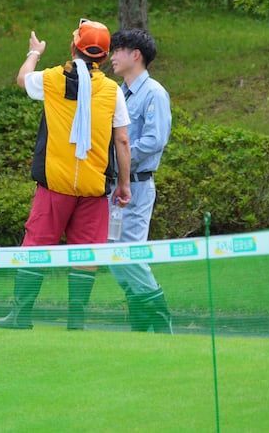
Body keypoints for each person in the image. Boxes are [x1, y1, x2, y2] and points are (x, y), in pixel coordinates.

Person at [0, 19, 131, 331]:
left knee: (37, 245)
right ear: (104, 57)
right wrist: (124, 183)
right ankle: (76, 320)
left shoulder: (53, 79)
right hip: (94, 187)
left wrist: (34, 53)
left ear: (73, 47)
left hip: (55, 184)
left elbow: (22, 79)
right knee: (86, 252)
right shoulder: (112, 91)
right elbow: (121, 140)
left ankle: (21, 315)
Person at [109, 27, 175, 333]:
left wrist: (118, 158)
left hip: (137, 184)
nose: (112, 57)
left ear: (136, 55)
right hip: (115, 187)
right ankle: (141, 322)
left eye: (118, 50)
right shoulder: (118, 94)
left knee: (131, 254)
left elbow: (154, 141)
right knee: (113, 255)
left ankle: (161, 322)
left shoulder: (154, 93)